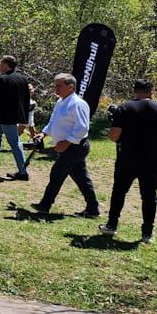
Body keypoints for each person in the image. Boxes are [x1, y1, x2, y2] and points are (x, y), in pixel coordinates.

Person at [100, 79, 157, 244]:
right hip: (152, 160)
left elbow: (114, 135)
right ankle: (147, 233)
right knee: (149, 196)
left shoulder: (124, 108)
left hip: (128, 158)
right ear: (151, 91)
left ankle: (112, 225)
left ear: (135, 91)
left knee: (119, 191)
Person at [31, 73, 100, 217]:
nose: (56, 88)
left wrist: (67, 141)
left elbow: (82, 128)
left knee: (57, 173)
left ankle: (45, 205)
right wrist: (43, 133)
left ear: (71, 87)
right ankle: (93, 209)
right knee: (81, 178)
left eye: (59, 86)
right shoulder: (60, 101)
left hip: (75, 147)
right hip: (68, 147)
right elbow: (53, 122)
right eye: (55, 85)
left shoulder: (77, 104)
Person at [0, 56, 32, 180]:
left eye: (1, 63)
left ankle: (23, 172)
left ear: (6, 65)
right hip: (14, 115)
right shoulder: (22, 79)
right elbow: (26, 99)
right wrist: (25, 118)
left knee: (14, 143)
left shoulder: (2, 79)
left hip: (5, 116)